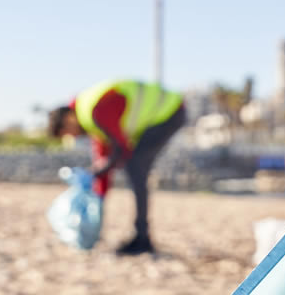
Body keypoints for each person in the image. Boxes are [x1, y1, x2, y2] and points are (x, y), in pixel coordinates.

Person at [48, 78, 186, 255]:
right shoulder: (91, 119)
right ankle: (141, 236)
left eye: (68, 132)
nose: (73, 137)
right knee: (134, 166)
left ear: (69, 119)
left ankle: (143, 238)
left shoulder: (96, 112)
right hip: (163, 113)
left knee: (136, 166)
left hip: (170, 110)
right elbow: (105, 160)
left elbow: (121, 150)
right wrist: (96, 203)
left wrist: (95, 173)